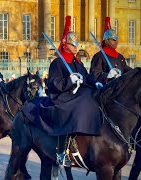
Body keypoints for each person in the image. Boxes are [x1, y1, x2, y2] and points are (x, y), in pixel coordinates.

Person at [47, 16, 102, 166]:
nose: (76, 47)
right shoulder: (57, 62)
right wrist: (69, 81)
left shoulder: (77, 62)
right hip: (62, 96)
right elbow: (54, 83)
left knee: (94, 97)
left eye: (76, 44)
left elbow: (87, 77)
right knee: (80, 103)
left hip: (78, 93)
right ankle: (62, 151)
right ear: (66, 45)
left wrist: (97, 83)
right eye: (72, 44)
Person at [90, 17, 132, 85]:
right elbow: (94, 75)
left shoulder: (120, 57)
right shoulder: (99, 56)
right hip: (106, 90)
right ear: (106, 41)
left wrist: (137, 72)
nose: (116, 42)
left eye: (116, 40)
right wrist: (107, 76)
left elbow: (126, 70)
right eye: (113, 40)